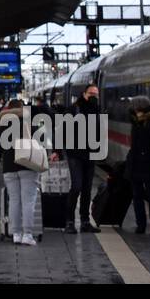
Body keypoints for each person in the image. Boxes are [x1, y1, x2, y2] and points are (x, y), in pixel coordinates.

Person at [0, 99, 41, 245]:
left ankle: (15, 233)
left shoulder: (2, 123)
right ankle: (27, 235)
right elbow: (39, 140)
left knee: (14, 200)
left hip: (9, 166)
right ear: (21, 108)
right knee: (28, 201)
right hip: (27, 164)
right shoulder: (28, 120)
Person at [65, 85, 101, 234]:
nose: (93, 96)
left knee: (87, 188)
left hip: (90, 154)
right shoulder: (74, 109)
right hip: (75, 154)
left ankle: (85, 221)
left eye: (96, 94)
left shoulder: (97, 110)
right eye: (91, 93)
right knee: (76, 186)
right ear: (84, 94)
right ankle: (69, 221)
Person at [125, 96, 150, 235]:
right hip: (136, 165)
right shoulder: (136, 122)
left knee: (148, 196)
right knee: (140, 196)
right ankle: (143, 225)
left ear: (138, 107)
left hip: (146, 166)